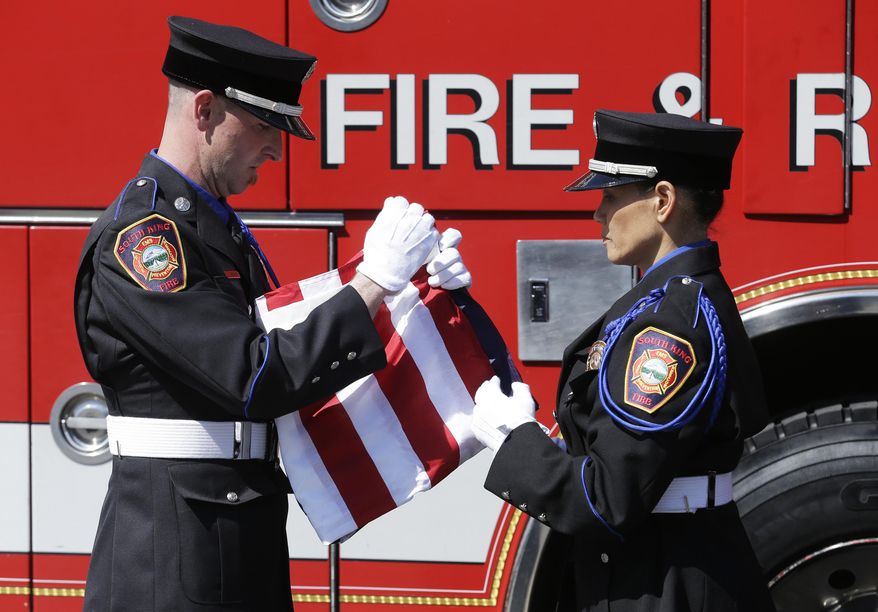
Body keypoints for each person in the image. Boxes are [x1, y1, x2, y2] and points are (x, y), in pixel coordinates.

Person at [73, 16, 469, 611]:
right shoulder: (146, 238)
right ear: (203, 110)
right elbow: (252, 374)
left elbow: (290, 347)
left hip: (233, 535)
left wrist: (408, 296)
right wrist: (373, 281)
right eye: (262, 125)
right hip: (176, 550)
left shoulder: (213, 227)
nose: (276, 148)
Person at [470, 110, 776, 611]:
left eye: (610, 197)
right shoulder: (669, 300)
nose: (596, 215)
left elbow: (607, 499)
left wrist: (514, 439)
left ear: (662, 201)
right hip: (663, 562)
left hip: (664, 579)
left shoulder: (670, 325)